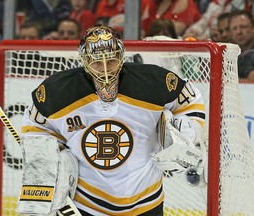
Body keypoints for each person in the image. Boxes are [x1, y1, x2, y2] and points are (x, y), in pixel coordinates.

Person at [20, 26, 206, 215]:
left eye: (111, 60)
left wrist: (188, 130)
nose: (106, 69)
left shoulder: (152, 82)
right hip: (86, 203)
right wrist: (51, 160)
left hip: (146, 201)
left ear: (121, 56)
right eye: (97, 63)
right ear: (85, 61)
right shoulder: (58, 92)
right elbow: (34, 126)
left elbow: (190, 101)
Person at [229, 10, 254, 81]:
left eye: (243, 27)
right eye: (234, 28)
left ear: (253, 28)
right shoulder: (228, 54)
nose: (238, 32)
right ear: (230, 32)